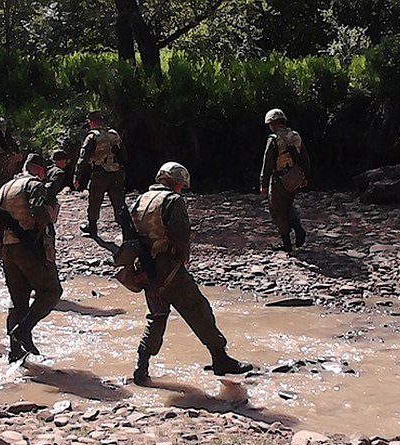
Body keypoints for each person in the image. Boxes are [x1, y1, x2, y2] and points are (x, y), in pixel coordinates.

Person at [131, 162, 253, 386]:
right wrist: (183, 258)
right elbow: (180, 235)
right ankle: (220, 359)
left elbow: (130, 235)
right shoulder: (173, 201)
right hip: (169, 268)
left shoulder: (141, 200)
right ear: (177, 182)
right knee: (199, 310)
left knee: (157, 317)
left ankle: (141, 367)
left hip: (146, 271)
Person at [0, 153, 62, 361]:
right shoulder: (34, 185)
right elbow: (39, 212)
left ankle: (15, 352)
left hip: (8, 248)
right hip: (30, 247)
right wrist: (49, 217)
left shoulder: (6, 187)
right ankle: (24, 330)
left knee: (18, 301)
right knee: (51, 292)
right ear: (40, 171)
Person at [260, 109, 310, 252]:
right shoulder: (295, 136)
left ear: (273, 124)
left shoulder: (274, 139)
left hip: (280, 179)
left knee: (277, 209)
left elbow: (268, 163)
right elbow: (305, 159)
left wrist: (263, 184)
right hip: (295, 178)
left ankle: (287, 243)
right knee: (288, 204)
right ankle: (298, 228)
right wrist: (305, 176)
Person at [74, 110, 127, 238]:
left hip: (100, 173)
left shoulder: (92, 137)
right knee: (119, 201)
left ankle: (92, 228)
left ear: (91, 122)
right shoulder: (113, 134)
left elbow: (83, 158)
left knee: (95, 200)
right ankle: (126, 229)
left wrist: (77, 176)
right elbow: (123, 154)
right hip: (116, 171)